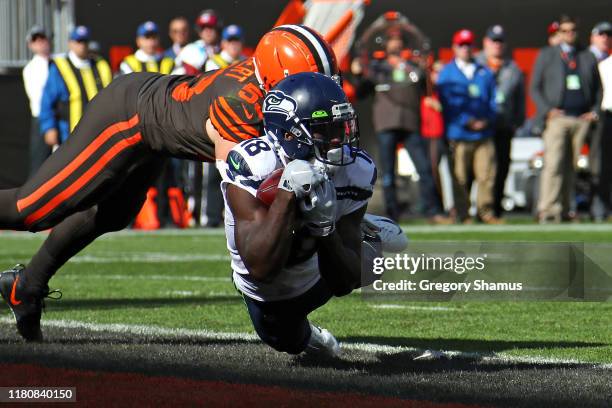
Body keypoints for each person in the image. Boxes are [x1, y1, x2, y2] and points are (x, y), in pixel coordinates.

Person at [0, 25, 339, 342]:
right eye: (308, 82)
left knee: (113, 213)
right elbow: (245, 196)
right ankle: (26, 284)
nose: (319, 94)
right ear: (275, 79)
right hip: (128, 117)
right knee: (29, 210)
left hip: (158, 133)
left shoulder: (273, 86)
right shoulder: (239, 107)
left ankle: (26, 286)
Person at [221, 72, 378, 356]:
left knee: (373, 256)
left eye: (340, 127)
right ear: (289, 133)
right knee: (289, 342)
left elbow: (344, 283)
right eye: (323, 130)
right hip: (270, 290)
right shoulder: (254, 164)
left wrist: (325, 227)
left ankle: (368, 234)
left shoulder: (357, 170)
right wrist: (286, 195)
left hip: (317, 272)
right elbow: (261, 270)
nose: (337, 140)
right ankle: (312, 338)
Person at [351, 28, 449, 223]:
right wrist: (358, 75)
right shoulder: (377, 68)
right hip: (386, 123)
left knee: (424, 168)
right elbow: (361, 93)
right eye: (392, 41)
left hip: (410, 122)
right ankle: (393, 214)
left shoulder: (412, 66)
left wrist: (430, 74)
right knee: (388, 173)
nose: (395, 44)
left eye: (398, 41)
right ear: (386, 45)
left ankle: (433, 211)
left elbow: (426, 89)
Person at [530, 15, 602, 223]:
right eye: (565, 30)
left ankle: (565, 209)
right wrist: (547, 110)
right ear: (558, 33)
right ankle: (547, 208)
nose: (569, 34)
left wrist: (594, 110)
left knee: (572, 166)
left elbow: (598, 88)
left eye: (572, 30)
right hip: (557, 118)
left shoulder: (586, 55)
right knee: (553, 164)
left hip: (581, 119)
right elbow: (535, 87)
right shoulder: (547, 55)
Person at [437, 29, 500, 224]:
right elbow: (447, 103)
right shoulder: (447, 73)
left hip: (484, 132)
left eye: (468, 45)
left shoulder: (484, 71)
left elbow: (494, 100)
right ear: (455, 48)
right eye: (461, 45)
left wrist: (487, 119)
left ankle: (485, 211)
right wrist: (467, 120)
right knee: (460, 177)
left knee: (486, 175)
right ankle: (463, 213)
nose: (465, 48)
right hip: (459, 133)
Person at [476, 25, 525, 218]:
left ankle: (494, 209)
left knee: (502, 168)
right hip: (479, 127)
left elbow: (520, 100)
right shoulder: (476, 63)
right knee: (479, 171)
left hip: (503, 125)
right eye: (493, 40)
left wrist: (517, 122)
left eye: (500, 41)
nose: (497, 45)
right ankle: (473, 210)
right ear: (485, 42)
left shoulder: (513, 69)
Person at [202, 24, 247, 228]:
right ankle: (210, 216)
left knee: (239, 171)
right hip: (220, 121)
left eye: (237, 41)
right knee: (215, 170)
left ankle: (236, 214)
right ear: (223, 43)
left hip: (241, 123)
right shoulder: (214, 62)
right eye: (230, 41)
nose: (234, 45)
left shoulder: (247, 62)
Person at [39, 26, 112, 147]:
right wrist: (49, 127)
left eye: (85, 41)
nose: (82, 45)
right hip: (68, 135)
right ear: (70, 43)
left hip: (98, 134)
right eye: (78, 41)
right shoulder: (60, 66)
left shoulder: (101, 65)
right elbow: (47, 100)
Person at [588, 22, 612, 221]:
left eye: (608, 35)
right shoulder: (584, 58)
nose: (605, 38)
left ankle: (601, 208)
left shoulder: (608, 61)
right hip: (586, 117)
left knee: (603, 166)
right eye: (601, 34)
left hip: (605, 118)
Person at [22, 26, 52, 176]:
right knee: (39, 169)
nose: (40, 42)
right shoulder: (31, 68)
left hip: (61, 121)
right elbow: (39, 99)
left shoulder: (58, 62)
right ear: (30, 45)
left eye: (42, 38)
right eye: (35, 39)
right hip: (42, 121)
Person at [174, 9, 221, 75]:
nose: (207, 31)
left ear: (218, 28)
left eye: (210, 27)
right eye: (203, 27)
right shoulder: (190, 50)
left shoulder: (228, 47)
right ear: (198, 31)